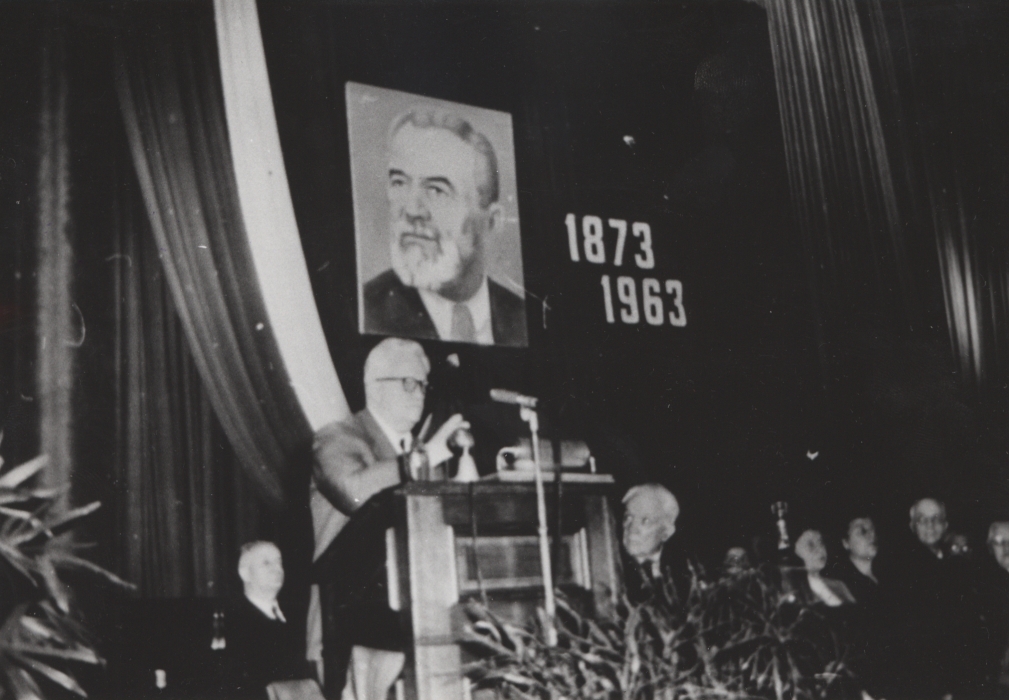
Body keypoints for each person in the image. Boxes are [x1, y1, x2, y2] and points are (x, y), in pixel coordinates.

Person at [310, 338, 467, 700]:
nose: (419, 394)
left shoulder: (423, 451)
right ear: (373, 386)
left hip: (424, 625)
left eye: (423, 385)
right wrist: (420, 460)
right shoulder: (337, 437)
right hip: (348, 633)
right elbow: (353, 492)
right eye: (408, 383)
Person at [362, 108, 528, 347]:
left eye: (436, 190)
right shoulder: (366, 310)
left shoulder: (521, 318)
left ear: (491, 222)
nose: (412, 210)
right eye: (399, 183)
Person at [223, 542, 313, 699]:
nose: (277, 569)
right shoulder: (232, 622)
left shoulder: (297, 615)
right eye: (266, 563)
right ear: (245, 573)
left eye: (279, 562)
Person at [620, 483, 690, 608]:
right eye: (628, 517)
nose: (632, 528)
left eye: (645, 521)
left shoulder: (685, 571)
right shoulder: (612, 566)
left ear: (666, 532)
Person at [792, 529, 855, 607]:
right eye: (811, 545)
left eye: (821, 543)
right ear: (796, 552)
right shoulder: (795, 594)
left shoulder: (839, 585)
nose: (820, 549)